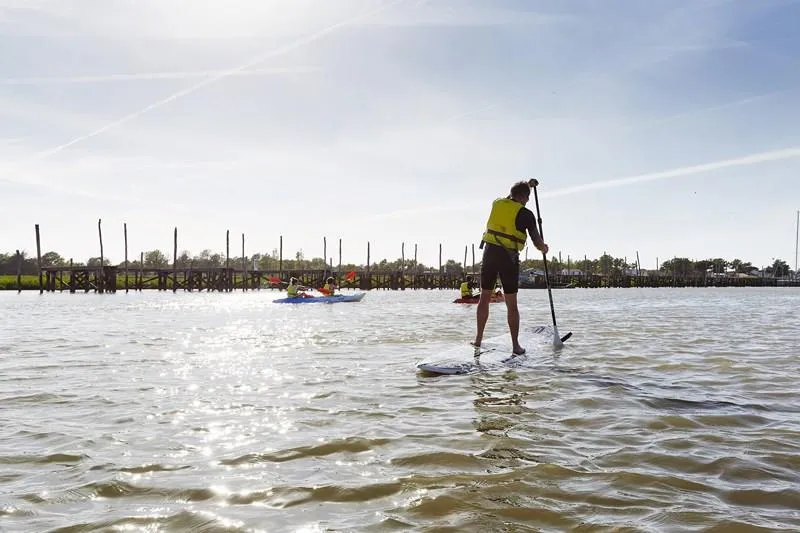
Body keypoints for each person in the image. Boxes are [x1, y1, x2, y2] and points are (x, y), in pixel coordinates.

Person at [473, 179, 549, 356]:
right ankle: (515, 346)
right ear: (524, 197)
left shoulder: (497, 203)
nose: (528, 201)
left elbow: (511, 199)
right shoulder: (526, 214)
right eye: (527, 198)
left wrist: (527, 187)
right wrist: (544, 248)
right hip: (508, 258)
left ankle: (478, 340)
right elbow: (537, 241)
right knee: (511, 304)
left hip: (490, 253)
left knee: (484, 297)